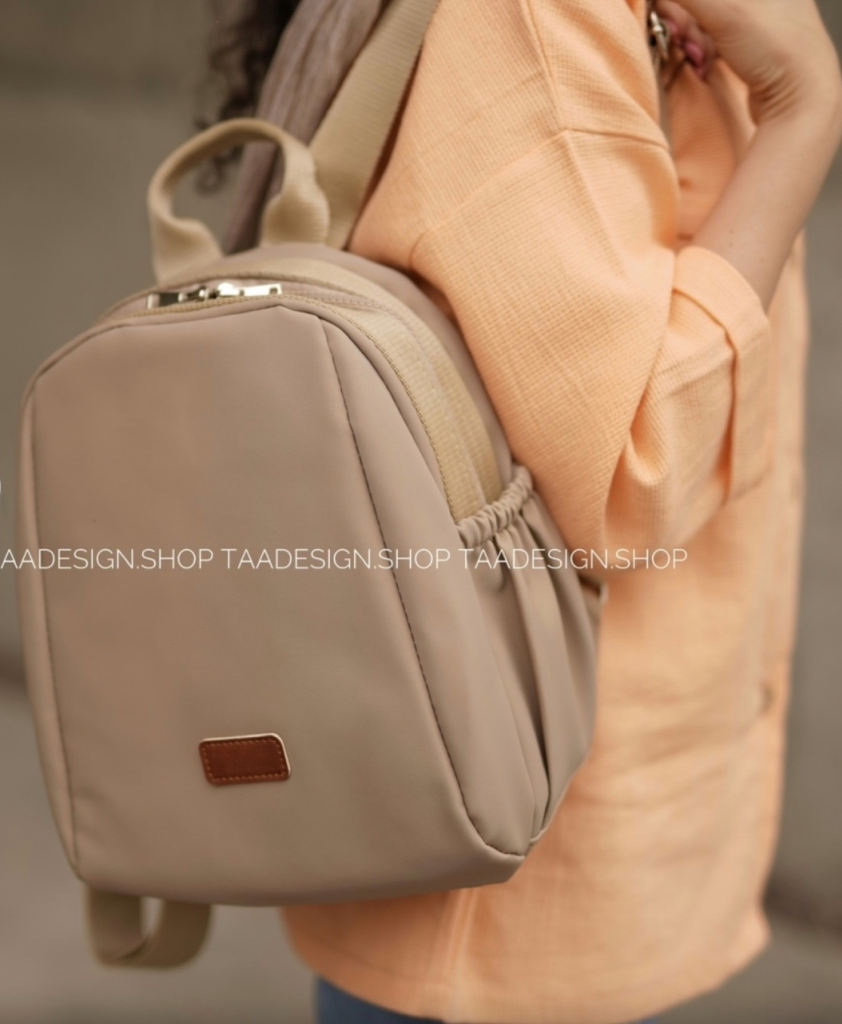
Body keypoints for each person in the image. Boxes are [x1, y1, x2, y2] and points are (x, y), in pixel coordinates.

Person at [207, 1, 842, 1022]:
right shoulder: (537, 15)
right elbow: (630, 478)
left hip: (553, 823)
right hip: (510, 872)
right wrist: (804, 108)